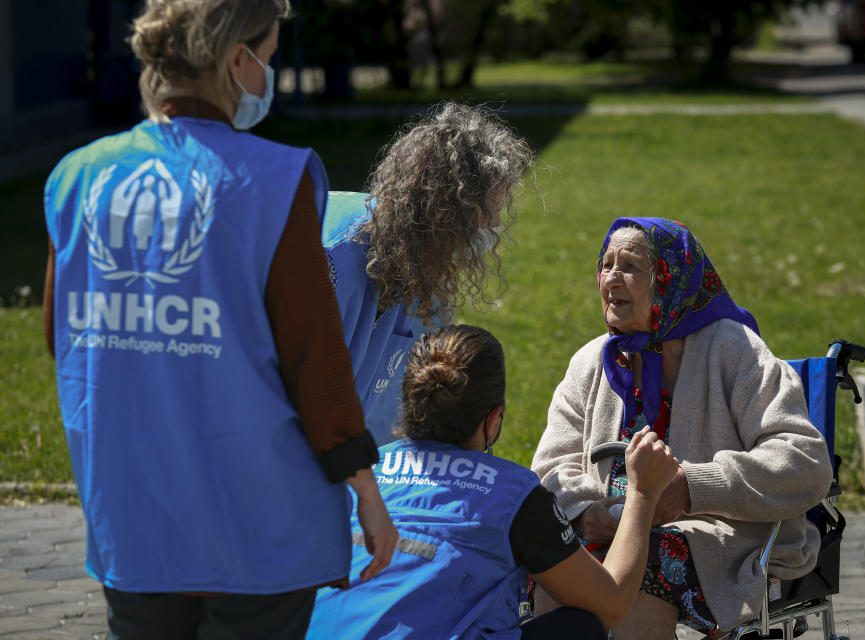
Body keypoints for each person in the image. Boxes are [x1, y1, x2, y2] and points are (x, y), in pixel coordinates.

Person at [41, 1, 396, 637]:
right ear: (238, 60)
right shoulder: (274, 181)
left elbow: (61, 339)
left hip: (132, 518)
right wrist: (366, 491)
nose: (269, 74)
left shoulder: (76, 178)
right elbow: (315, 360)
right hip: (257, 528)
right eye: (271, 56)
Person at [531, 217, 834, 638]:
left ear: (671, 280)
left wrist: (691, 488)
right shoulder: (591, 362)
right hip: (611, 530)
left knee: (643, 571)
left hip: (715, 535)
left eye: (630, 267)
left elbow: (805, 462)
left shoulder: (735, 350)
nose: (611, 278)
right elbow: (551, 466)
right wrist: (587, 512)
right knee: (559, 570)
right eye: (605, 264)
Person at [308, 325, 679, 639]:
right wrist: (643, 494)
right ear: (494, 418)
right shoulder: (513, 496)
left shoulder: (366, 471)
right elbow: (610, 604)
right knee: (581, 626)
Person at [321, 103, 535, 445]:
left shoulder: (430, 266)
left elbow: (419, 403)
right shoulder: (329, 257)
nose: (494, 227)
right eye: (487, 214)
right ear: (442, 211)